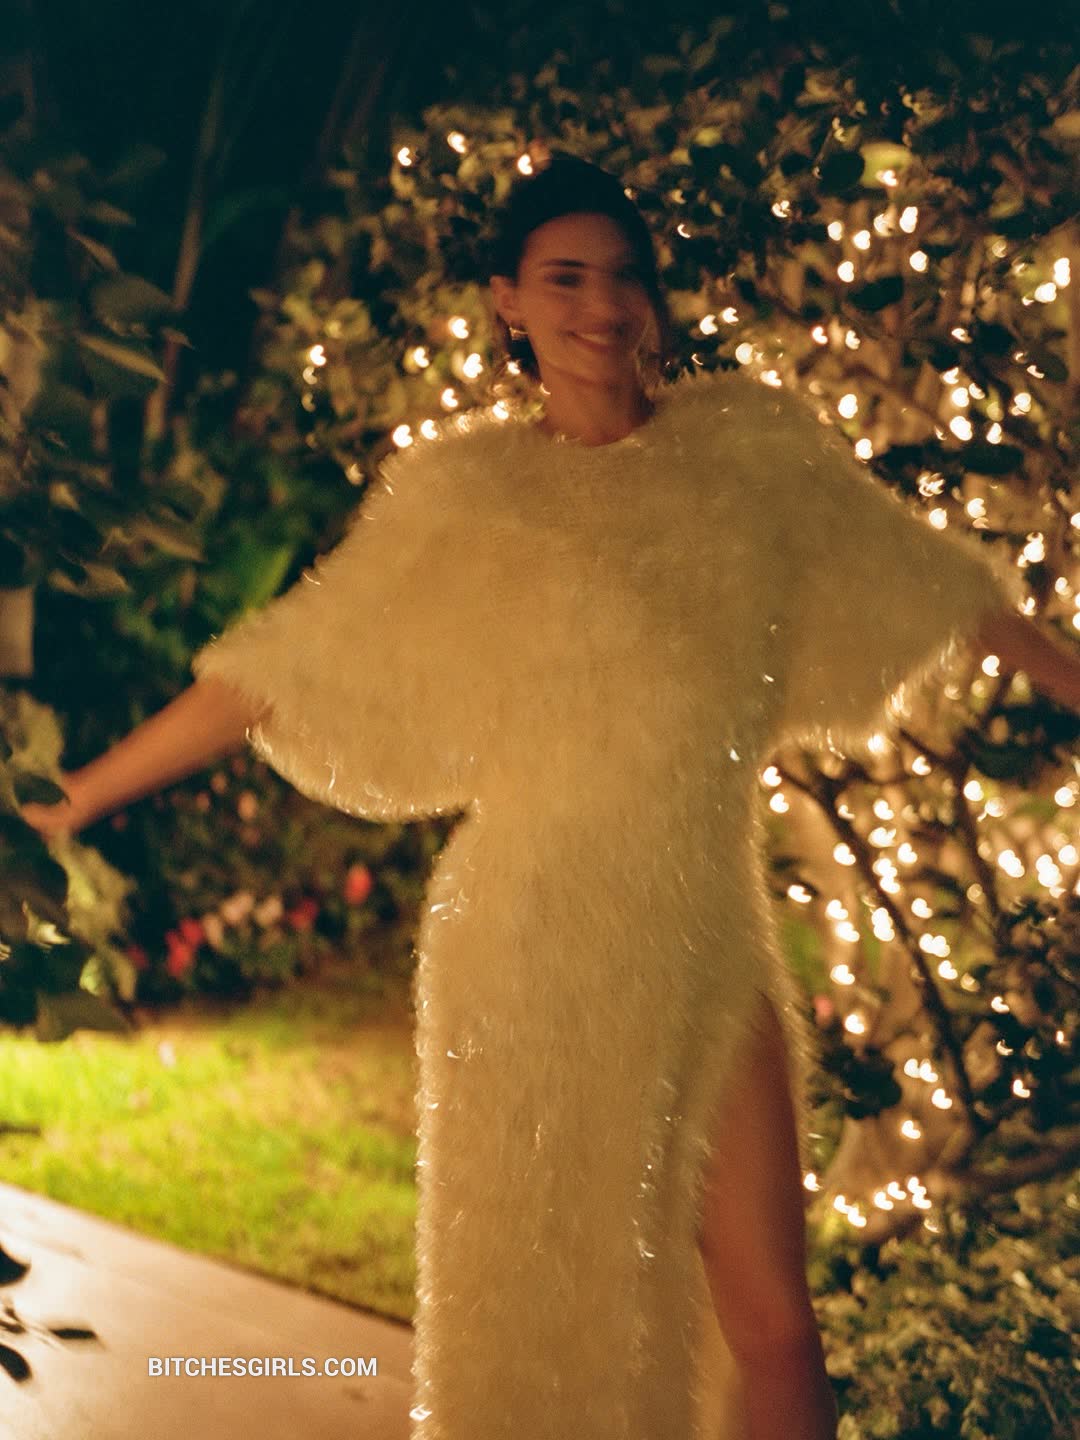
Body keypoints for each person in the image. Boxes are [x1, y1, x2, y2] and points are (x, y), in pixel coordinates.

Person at [19, 152, 1075, 1440]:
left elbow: (934, 583)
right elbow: (277, 670)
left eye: (622, 277)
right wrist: (77, 798)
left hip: (710, 934)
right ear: (508, 301)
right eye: (564, 278)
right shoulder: (466, 492)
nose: (600, 305)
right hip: (532, 946)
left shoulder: (748, 450)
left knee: (776, 1326)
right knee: (554, 1322)